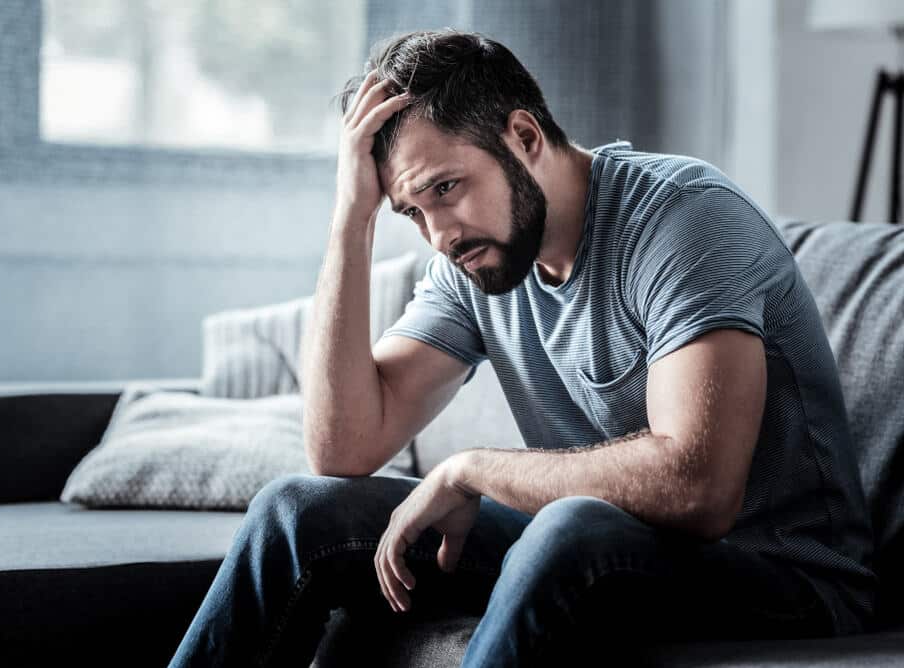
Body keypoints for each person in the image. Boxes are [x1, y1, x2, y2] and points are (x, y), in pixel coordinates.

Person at [169, 29, 877, 667]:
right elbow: (344, 447)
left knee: (570, 525)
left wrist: (472, 469)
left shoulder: (685, 219)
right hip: (592, 549)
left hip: (786, 575)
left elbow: (699, 488)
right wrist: (349, 218)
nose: (438, 233)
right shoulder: (470, 259)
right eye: (412, 211)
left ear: (525, 136)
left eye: (446, 188)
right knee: (298, 510)